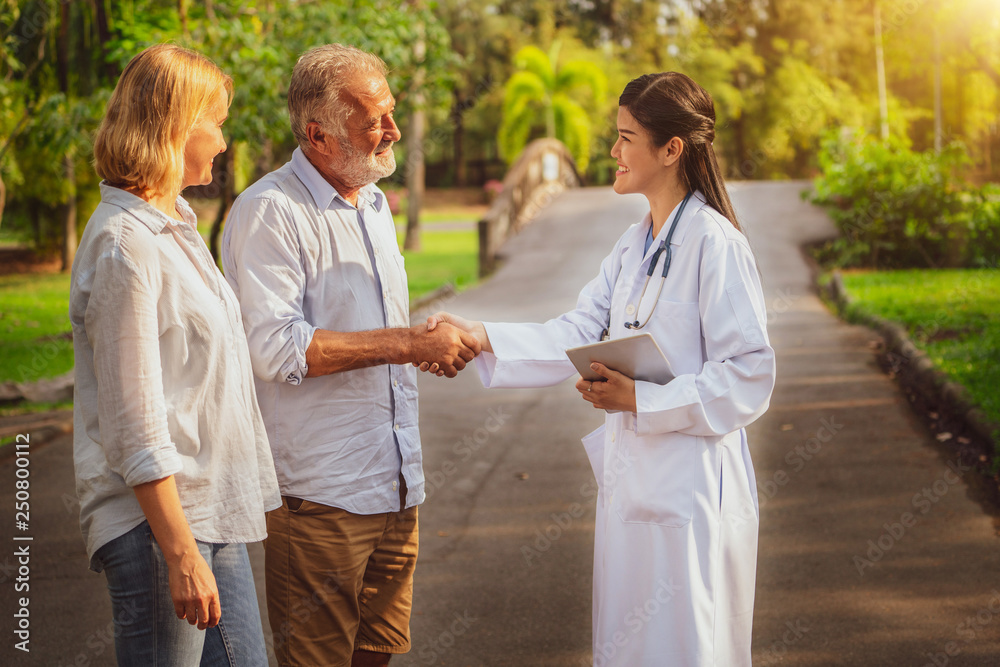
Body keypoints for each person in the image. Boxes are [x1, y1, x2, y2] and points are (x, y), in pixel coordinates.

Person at [426, 72, 775, 666]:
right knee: (630, 645)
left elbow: (749, 374)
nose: (612, 152)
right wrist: (479, 336)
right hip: (634, 484)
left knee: (689, 647)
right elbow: (578, 331)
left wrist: (642, 400)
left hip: (691, 491)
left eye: (625, 138)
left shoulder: (715, 244)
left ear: (671, 150)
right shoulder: (635, 244)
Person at [221, 44, 480, 667]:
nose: (392, 130)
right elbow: (276, 347)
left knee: (377, 653)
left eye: (392, 113)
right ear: (318, 135)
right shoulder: (269, 212)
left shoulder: (371, 201)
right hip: (320, 497)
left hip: (392, 482)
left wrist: (416, 343)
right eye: (375, 121)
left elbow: (366, 330)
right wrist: (408, 344)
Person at [70, 43, 280, 665]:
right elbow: (134, 424)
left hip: (207, 515)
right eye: (214, 122)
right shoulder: (126, 247)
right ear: (172, 125)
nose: (222, 140)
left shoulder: (174, 229)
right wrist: (182, 553)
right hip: (160, 528)